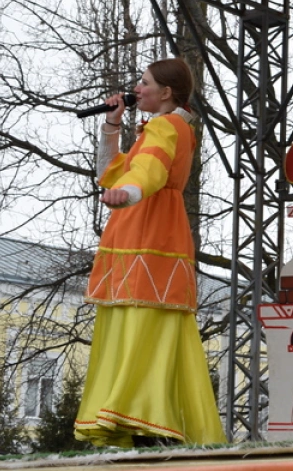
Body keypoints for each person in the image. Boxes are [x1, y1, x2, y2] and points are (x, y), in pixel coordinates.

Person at [75, 58, 225, 446]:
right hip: (140, 231)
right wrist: (111, 126)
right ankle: (152, 417)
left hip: (150, 231)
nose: (137, 88)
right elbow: (114, 172)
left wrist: (131, 192)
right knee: (146, 324)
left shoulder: (167, 126)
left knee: (143, 323)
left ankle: (142, 415)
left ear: (166, 92)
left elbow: (149, 170)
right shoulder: (160, 128)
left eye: (144, 83)